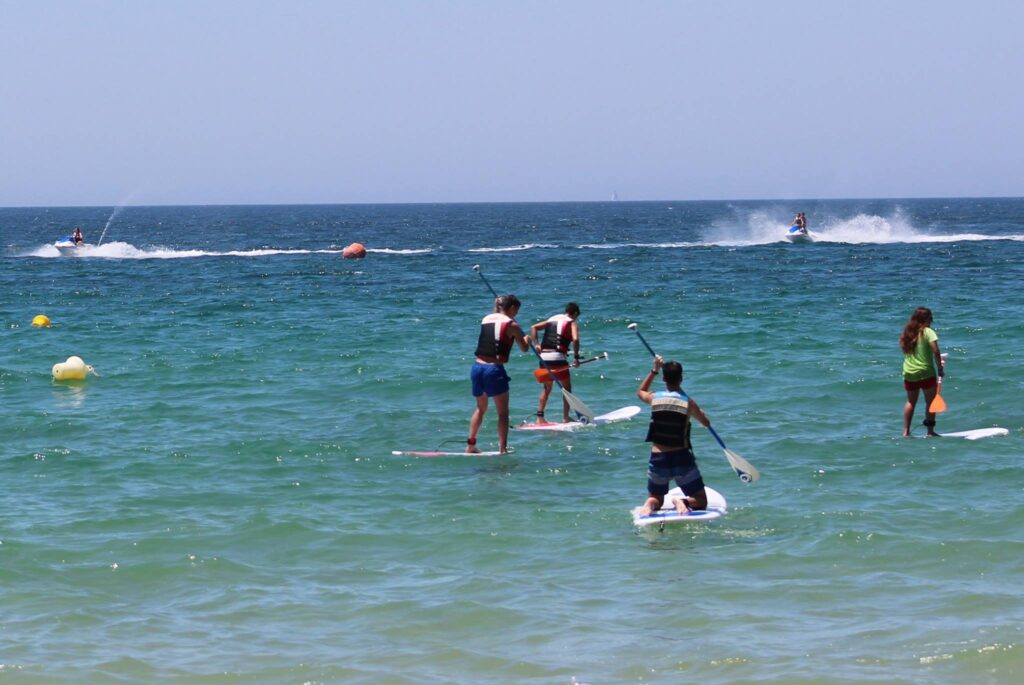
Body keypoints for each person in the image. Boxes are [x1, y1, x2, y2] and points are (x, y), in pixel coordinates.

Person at [637, 354, 712, 516]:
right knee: (701, 501)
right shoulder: (688, 403)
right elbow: (706, 423)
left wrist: (654, 370)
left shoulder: (654, 398)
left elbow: (641, 391)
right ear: (681, 379)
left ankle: (650, 503)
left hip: (658, 458)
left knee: (657, 498)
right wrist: (701, 413)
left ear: (664, 379)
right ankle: (683, 501)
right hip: (681, 458)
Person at [467, 294, 531, 454]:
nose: (516, 314)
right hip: (493, 370)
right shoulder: (513, 325)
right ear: (513, 308)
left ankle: (470, 445)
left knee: (480, 409)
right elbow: (524, 348)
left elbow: (496, 321)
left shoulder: (486, 319)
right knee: (503, 413)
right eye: (517, 310)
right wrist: (527, 339)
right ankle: (503, 449)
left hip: (477, 368)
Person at [529, 302, 581, 423]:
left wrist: (536, 344)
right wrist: (576, 357)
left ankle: (540, 418)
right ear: (575, 314)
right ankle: (566, 417)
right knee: (567, 388)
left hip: (544, 357)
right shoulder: (571, 323)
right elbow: (575, 339)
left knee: (547, 388)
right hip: (558, 357)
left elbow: (533, 327)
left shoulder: (552, 319)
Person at [899, 307, 944, 437]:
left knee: (911, 402)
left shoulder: (908, 332)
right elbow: (935, 351)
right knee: (930, 401)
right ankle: (930, 432)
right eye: (931, 319)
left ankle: (906, 432)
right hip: (925, 372)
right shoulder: (928, 332)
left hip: (909, 372)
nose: (932, 321)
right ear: (926, 319)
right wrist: (940, 368)